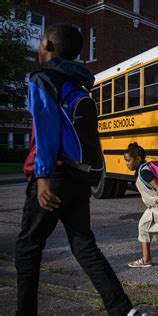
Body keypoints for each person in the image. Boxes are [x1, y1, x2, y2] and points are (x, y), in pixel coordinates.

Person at [15, 24, 145, 316]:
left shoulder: (42, 79)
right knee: (84, 246)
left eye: (39, 42)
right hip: (79, 177)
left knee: (27, 249)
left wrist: (42, 177)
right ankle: (124, 310)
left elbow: (46, 132)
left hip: (54, 176)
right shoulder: (78, 86)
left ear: (47, 44)